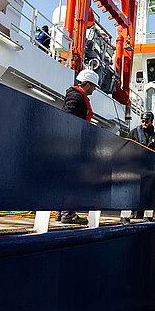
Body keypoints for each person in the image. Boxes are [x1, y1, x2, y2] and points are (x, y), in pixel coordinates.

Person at [57, 69, 100, 225]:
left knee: (67, 176)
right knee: (74, 177)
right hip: (72, 144)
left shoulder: (75, 95)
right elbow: (68, 116)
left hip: (69, 143)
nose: (94, 89)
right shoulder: (76, 97)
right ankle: (68, 215)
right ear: (87, 84)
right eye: (93, 86)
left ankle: (60, 212)